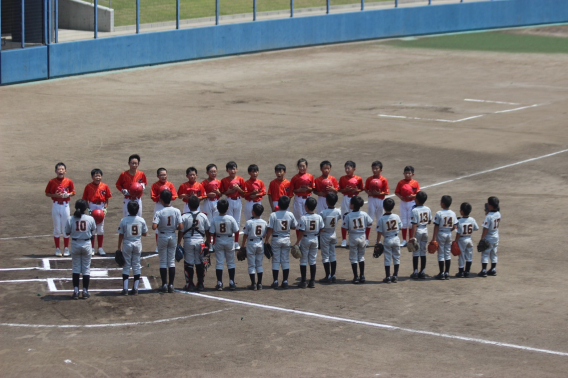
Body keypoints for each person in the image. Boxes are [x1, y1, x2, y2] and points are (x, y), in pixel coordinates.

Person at [152, 190, 183, 293]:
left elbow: (154, 227)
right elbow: (181, 226)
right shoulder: (177, 211)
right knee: (171, 261)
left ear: (161, 200)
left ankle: (164, 284)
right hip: (172, 236)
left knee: (163, 261)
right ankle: (171, 285)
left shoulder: (159, 212)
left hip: (162, 236)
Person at [65, 199, 96, 299]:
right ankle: (85, 291)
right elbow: (93, 231)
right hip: (86, 244)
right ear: (85, 208)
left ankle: (76, 291)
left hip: (75, 244)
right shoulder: (90, 219)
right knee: (86, 268)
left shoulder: (70, 219)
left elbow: (67, 232)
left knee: (76, 268)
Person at [178, 195, 210, 291]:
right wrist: (208, 241)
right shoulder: (203, 216)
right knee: (200, 263)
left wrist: (179, 243)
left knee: (189, 263)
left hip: (188, 242)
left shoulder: (184, 216)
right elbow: (208, 230)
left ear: (188, 205)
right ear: (198, 204)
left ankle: (190, 284)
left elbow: (181, 231)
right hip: (200, 242)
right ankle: (200, 284)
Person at [265, 196, 298, 289]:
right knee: (285, 260)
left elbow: (270, 229)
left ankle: (275, 281)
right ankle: (285, 281)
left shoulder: (273, 215)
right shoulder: (290, 214)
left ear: (278, 205)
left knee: (275, 260)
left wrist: (267, 239)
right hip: (286, 239)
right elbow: (294, 226)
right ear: (288, 205)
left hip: (276, 239)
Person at [117, 200, 148, 295]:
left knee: (126, 266)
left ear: (128, 210)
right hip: (137, 244)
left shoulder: (124, 220)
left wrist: (119, 247)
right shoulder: (141, 220)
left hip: (127, 244)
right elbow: (145, 233)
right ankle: (135, 288)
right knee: (136, 265)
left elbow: (121, 235)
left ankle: (125, 289)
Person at [45, 162, 75, 257]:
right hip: (56, 205)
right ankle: (57, 249)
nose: (60, 171)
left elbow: (73, 192)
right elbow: (47, 193)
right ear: (55, 171)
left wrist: (68, 194)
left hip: (65, 205)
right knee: (57, 228)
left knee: (65, 227)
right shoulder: (51, 181)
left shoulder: (69, 181)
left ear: (65, 171)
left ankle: (66, 248)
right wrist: (55, 195)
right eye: (59, 169)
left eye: (62, 169)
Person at [209, 199, 240, 291]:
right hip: (229, 240)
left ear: (217, 208)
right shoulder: (231, 219)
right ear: (227, 208)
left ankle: (219, 283)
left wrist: (211, 244)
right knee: (230, 262)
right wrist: (236, 242)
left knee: (219, 262)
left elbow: (211, 233)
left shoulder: (214, 219)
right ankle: (231, 282)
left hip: (219, 240)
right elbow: (237, 231)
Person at [294, 197, 324, 288]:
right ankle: (312, 281)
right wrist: (316, 234)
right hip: (315, 239)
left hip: (306, 239)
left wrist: (297, 242)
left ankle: (303, 281)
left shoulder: (303, 218)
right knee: (312, 260)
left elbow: (301, 232)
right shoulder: (319, 217)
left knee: (303, 260)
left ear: (306, 206)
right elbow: (322, 229)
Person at [342, 196, 372, 284]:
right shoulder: (364, 214)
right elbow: (370, 222)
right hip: (362, 236)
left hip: (353, 237)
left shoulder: (348, 215)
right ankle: (362, 276)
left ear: (353, 205)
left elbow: (345, 227)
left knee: (353, 258)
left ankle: (356, 277)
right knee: (361, 257)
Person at [82, 168, 112, 256]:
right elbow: (85, 199)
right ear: (92, 177)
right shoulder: (88, 186)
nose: (97, 177)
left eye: (99, 176)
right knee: (92, 228)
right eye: (95, 176)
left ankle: (100, 248)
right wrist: (88, 209)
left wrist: (105, 208)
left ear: (101, 177)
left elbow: (107, 199)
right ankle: (91, 248)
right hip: (92, 206)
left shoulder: (105, 186)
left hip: (101, 206)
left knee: (100, 228)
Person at [241, 203, 268, 291]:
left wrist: (242, 246)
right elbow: (264, 235)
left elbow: (245, 235)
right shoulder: (264, 222)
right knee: (259, 264)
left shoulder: (249, 222)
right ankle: (259, 284)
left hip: (251, 244)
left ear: (253, 212)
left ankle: (253, 284)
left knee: (251, 265)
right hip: (260, 243)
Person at [220, 161, 246, 250]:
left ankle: (236, 242)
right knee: (230, 221)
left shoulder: (241, 179)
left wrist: (238, 188)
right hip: (229, 201)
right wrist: (230, 191)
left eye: (234, 169)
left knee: (237, 222)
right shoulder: (224, 180)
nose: (232, 171)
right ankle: (230, 241)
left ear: (237, 169)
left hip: (238, 200)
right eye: (230, 169)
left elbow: (243, 193)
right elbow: (223, 192)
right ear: (227, 170)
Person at [151, 168, 178, 252]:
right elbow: (153, 198)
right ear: (158, 176)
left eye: (165, 175)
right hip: (159, 205)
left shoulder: (170, 184)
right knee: (157, 226)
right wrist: (160, 196)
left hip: (168, 205)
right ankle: (158, 245)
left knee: (169, 224)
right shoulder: (155, 185)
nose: (163, 176)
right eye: (161, 175)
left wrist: (167, 195)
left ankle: (170, 244)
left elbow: (174, 196)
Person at [376, 198, 402, 284]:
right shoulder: (396, 217)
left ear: (383, 207)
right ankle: (395, 276)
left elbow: (379, 232)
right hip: (396, 238)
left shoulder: (381, 219)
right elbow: (400, 227)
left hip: (387, 239)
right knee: (396, 257)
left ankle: (388, 277)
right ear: (393, 207)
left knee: (387, 258)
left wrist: (378, 242)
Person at [431, 195, 458, 280]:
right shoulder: (453, 213)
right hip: (449, 234)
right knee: (447, 253)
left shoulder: (439, 213)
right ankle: (447, 273)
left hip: (441, 234)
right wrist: (450, 230)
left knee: (441, 254)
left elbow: (436, 226)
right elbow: (455, 226)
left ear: (442, 203)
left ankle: (441, 273)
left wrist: (434, 238)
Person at [338, 161, 364, 248]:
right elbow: (340, 189)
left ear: (354, 169)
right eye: (346, 168)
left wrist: (355, 191)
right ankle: (344, 240)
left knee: (354, 218)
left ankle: (354, 238)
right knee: (345, 218)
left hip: (355, 199)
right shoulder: (342, 178)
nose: (347, 170)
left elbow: (361, 189)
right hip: (346, 198)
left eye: (349, 168)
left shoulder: (358, 178)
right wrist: (345, 190)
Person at [318, 193, 342, 283]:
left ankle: (327, 276)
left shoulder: (323, 212)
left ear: (326, 201)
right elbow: (339, 217)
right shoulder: (338, 211)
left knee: (325, 256)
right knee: (332, 254)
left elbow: (320, 224)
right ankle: (333, 275)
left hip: (325, 235)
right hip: (333, 233)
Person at [364, 161, 389, 245]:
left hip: (380, 200)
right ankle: (366, 238)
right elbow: (366, 188)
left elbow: (386, 192)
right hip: (371, 199)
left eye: (376, 169)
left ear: (380, 170)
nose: (374, 170)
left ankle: (378, 240)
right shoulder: (369, 179)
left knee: (380, 219)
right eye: (373, 169)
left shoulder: (384, 180)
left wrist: (379, 194)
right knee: (369, 218)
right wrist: (369, 193)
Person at [394, 166, 420, 248]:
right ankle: (404, 240)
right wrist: (400, 197)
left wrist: (412, 196)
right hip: (403, 203)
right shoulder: (401, 182)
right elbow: (397, 192)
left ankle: (411, 239)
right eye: (406, 173)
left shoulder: (415, 183)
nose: (407, 175)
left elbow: (418, 194)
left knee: (410, 222)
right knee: (404, 222)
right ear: (403, 173)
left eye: (409, 173)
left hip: (411, 203)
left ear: (412, 174)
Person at [289, 158, 315, 238]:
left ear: (306, 166)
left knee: (308, 218)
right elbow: (292, 190)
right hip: (298, 199)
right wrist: (299, 190)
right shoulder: (295, 178)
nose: (302, 168)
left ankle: (306, 237)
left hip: (307, 198)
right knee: (298, 219)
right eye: (300, 166)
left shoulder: (310, 176)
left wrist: (308, 188)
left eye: (303, 166)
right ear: (298, 167)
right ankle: (299, 240)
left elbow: (313, 188)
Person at [409, 191, 431, 279]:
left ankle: (415, 272)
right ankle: (422, 272)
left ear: (416, 200)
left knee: (415, 252)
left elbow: (414, 224)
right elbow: (429, 221)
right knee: (423, 251)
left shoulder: (414, 210)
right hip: (425, 230)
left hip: (418, 230)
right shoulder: (428, 209)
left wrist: (412, 237)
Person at [478, 196, 501, 277]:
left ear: (490, 206)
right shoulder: (498, 214)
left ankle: (484, 270)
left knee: (485, 253)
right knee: (494, 253)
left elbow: (485, 229)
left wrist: (482, 239)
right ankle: (493, 269)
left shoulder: (488, 216)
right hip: (496, 237)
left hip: (488, 238)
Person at [455, 202, 479, 278]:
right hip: (469, 239)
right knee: (469, 255)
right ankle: (467, 271)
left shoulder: (459, 221)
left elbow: (458, 233)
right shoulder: (472, 219)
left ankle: (461, 272)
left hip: (462, 240)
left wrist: (455, 241)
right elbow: (476, 228)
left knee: (461, 256)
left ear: (462, 211)